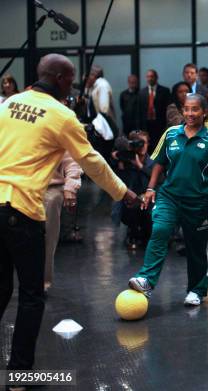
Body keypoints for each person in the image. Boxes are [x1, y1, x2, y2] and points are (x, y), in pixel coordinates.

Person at [0, 54, 138, 378]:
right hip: (22, 210)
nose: (73, 86)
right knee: (32, 296)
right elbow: (93, 163)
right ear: (61, 79)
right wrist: (124, 193)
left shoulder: (7, 104)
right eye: (72, 80)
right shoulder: (62, 115)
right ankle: (20, 376)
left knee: (1, 289)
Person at [128, 94, 208, 306]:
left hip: (199, 201)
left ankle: (196, 290)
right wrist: (150, 188)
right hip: (169, 196)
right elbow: (159, 163)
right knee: (160, 230)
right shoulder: (171, 134)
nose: (190, 114)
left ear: (204, 112)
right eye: (186, 109)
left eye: (195, 109)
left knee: (196, 247)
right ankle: (147, 279)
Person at [44, 152, 82, 292]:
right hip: (13, 185)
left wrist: (71, 186)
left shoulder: (56, 129)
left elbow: (71, 160)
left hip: (49, 187)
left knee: (45, 239)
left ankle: (41, 283)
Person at [113, 131, 154, 250]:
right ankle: (133, 233)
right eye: (139, 143)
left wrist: (140, 166)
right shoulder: (126, 159)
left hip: (149, 200)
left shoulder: (153, 161)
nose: (142, 146)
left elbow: (158, 179)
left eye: (144, 143)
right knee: (129, 205)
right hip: (130, 200)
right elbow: (118, 181)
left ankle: (145, 234)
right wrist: (120, 161)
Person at [138, 69, 171, 149]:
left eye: (152, 76)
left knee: (159, 145)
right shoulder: (141, 92)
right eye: (148, 76)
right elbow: (139, 111)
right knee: (147, 146)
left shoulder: (165, 91)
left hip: (160, 124)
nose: (150, 78)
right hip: (146, 124)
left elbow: (168, 109)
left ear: (156, 77)